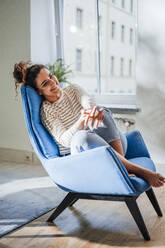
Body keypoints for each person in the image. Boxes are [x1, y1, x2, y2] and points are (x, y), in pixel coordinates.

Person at [13, 61, 165, 188]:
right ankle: (133, 169)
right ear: (39, 92)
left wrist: (89, 110)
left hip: (112, 150)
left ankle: (122, 166)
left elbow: (87, 100)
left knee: (101, 111)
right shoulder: (47, 111)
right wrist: (81, 121)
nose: (53, 82)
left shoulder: (73, 89)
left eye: (51, 76)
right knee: (82, 137)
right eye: (46, 83)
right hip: (84, 155)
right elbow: (65, 140)